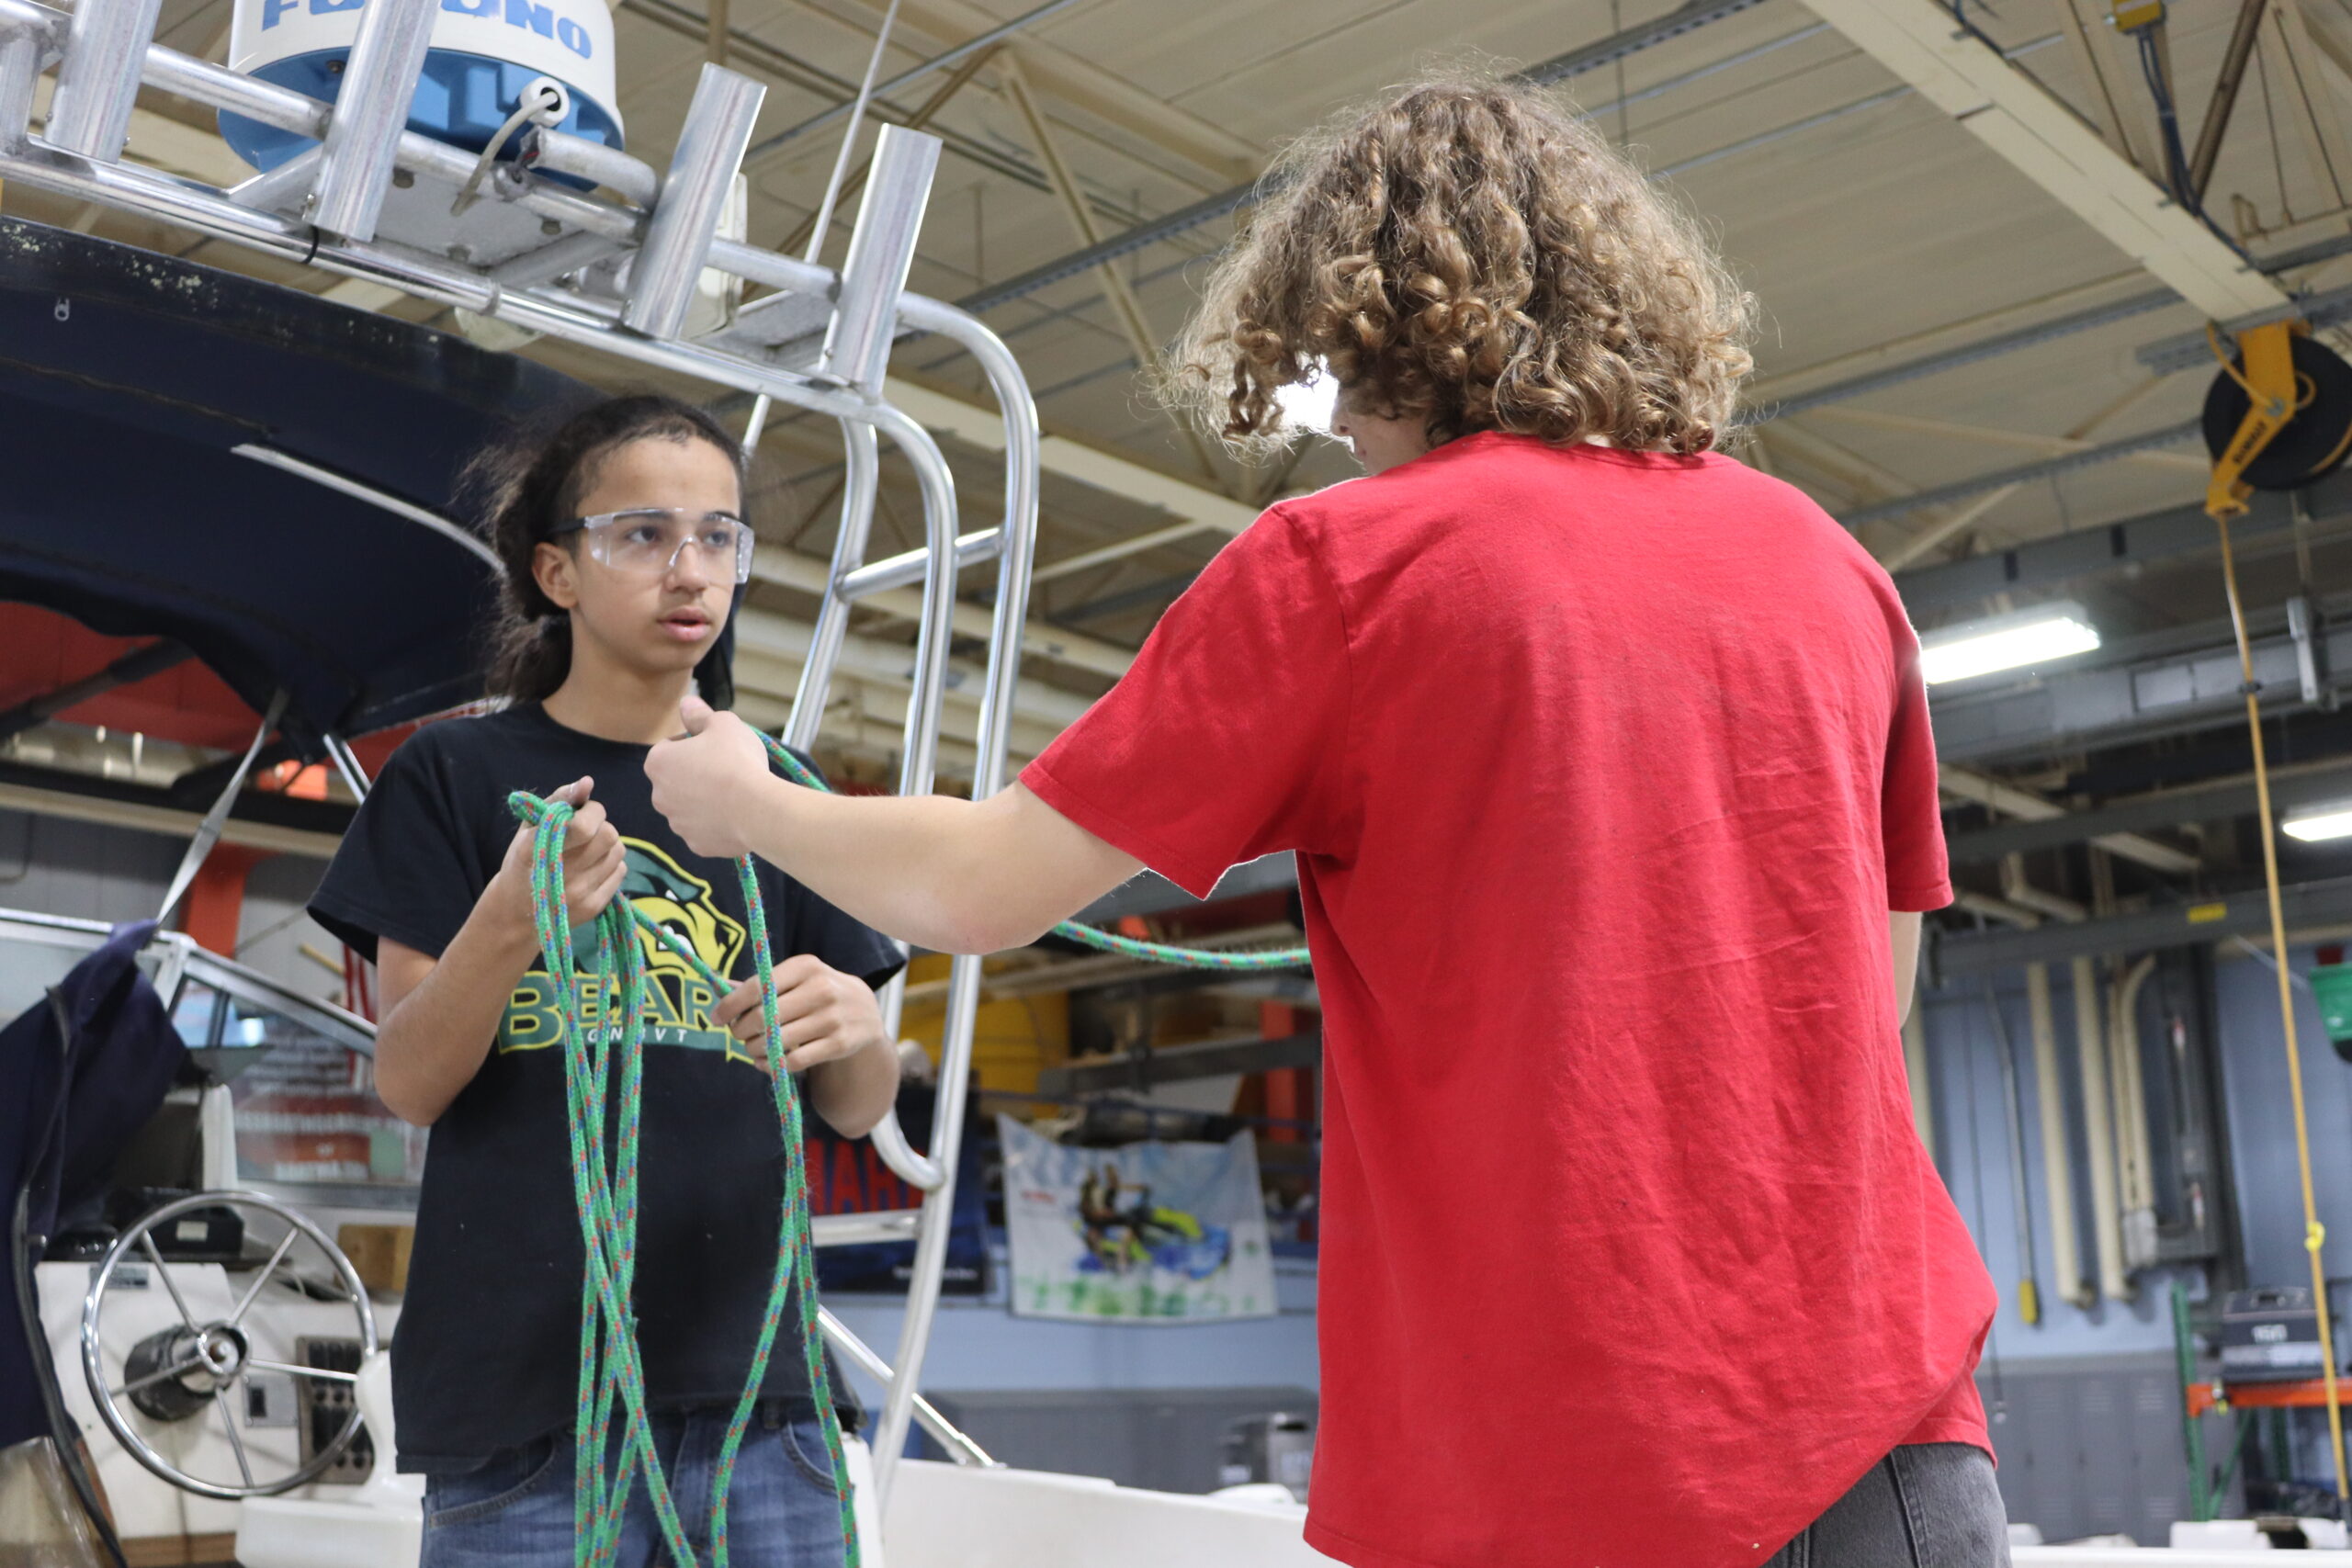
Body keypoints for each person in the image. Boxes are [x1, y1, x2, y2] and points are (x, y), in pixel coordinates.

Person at [645, 76, 2003, 1568]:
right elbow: (1870, 1005)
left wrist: (747, 799)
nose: (1338, 426)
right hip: (1894, 1434)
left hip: (1574, 1455)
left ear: (1371, 336)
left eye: (1327, 377)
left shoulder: (1349, 565)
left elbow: (984, 887)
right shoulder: (1829, 567)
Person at [310, 395, 903, 1568]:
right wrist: (510, 919)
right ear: (557, 571)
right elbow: (411, 1081)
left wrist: (859, 1030)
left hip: (758, 1400)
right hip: (527, 1405)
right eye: (641, 534)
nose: (689, 568)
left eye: (718, 536)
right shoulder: (457, 774)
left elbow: (856, 1105)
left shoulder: (772, 785)